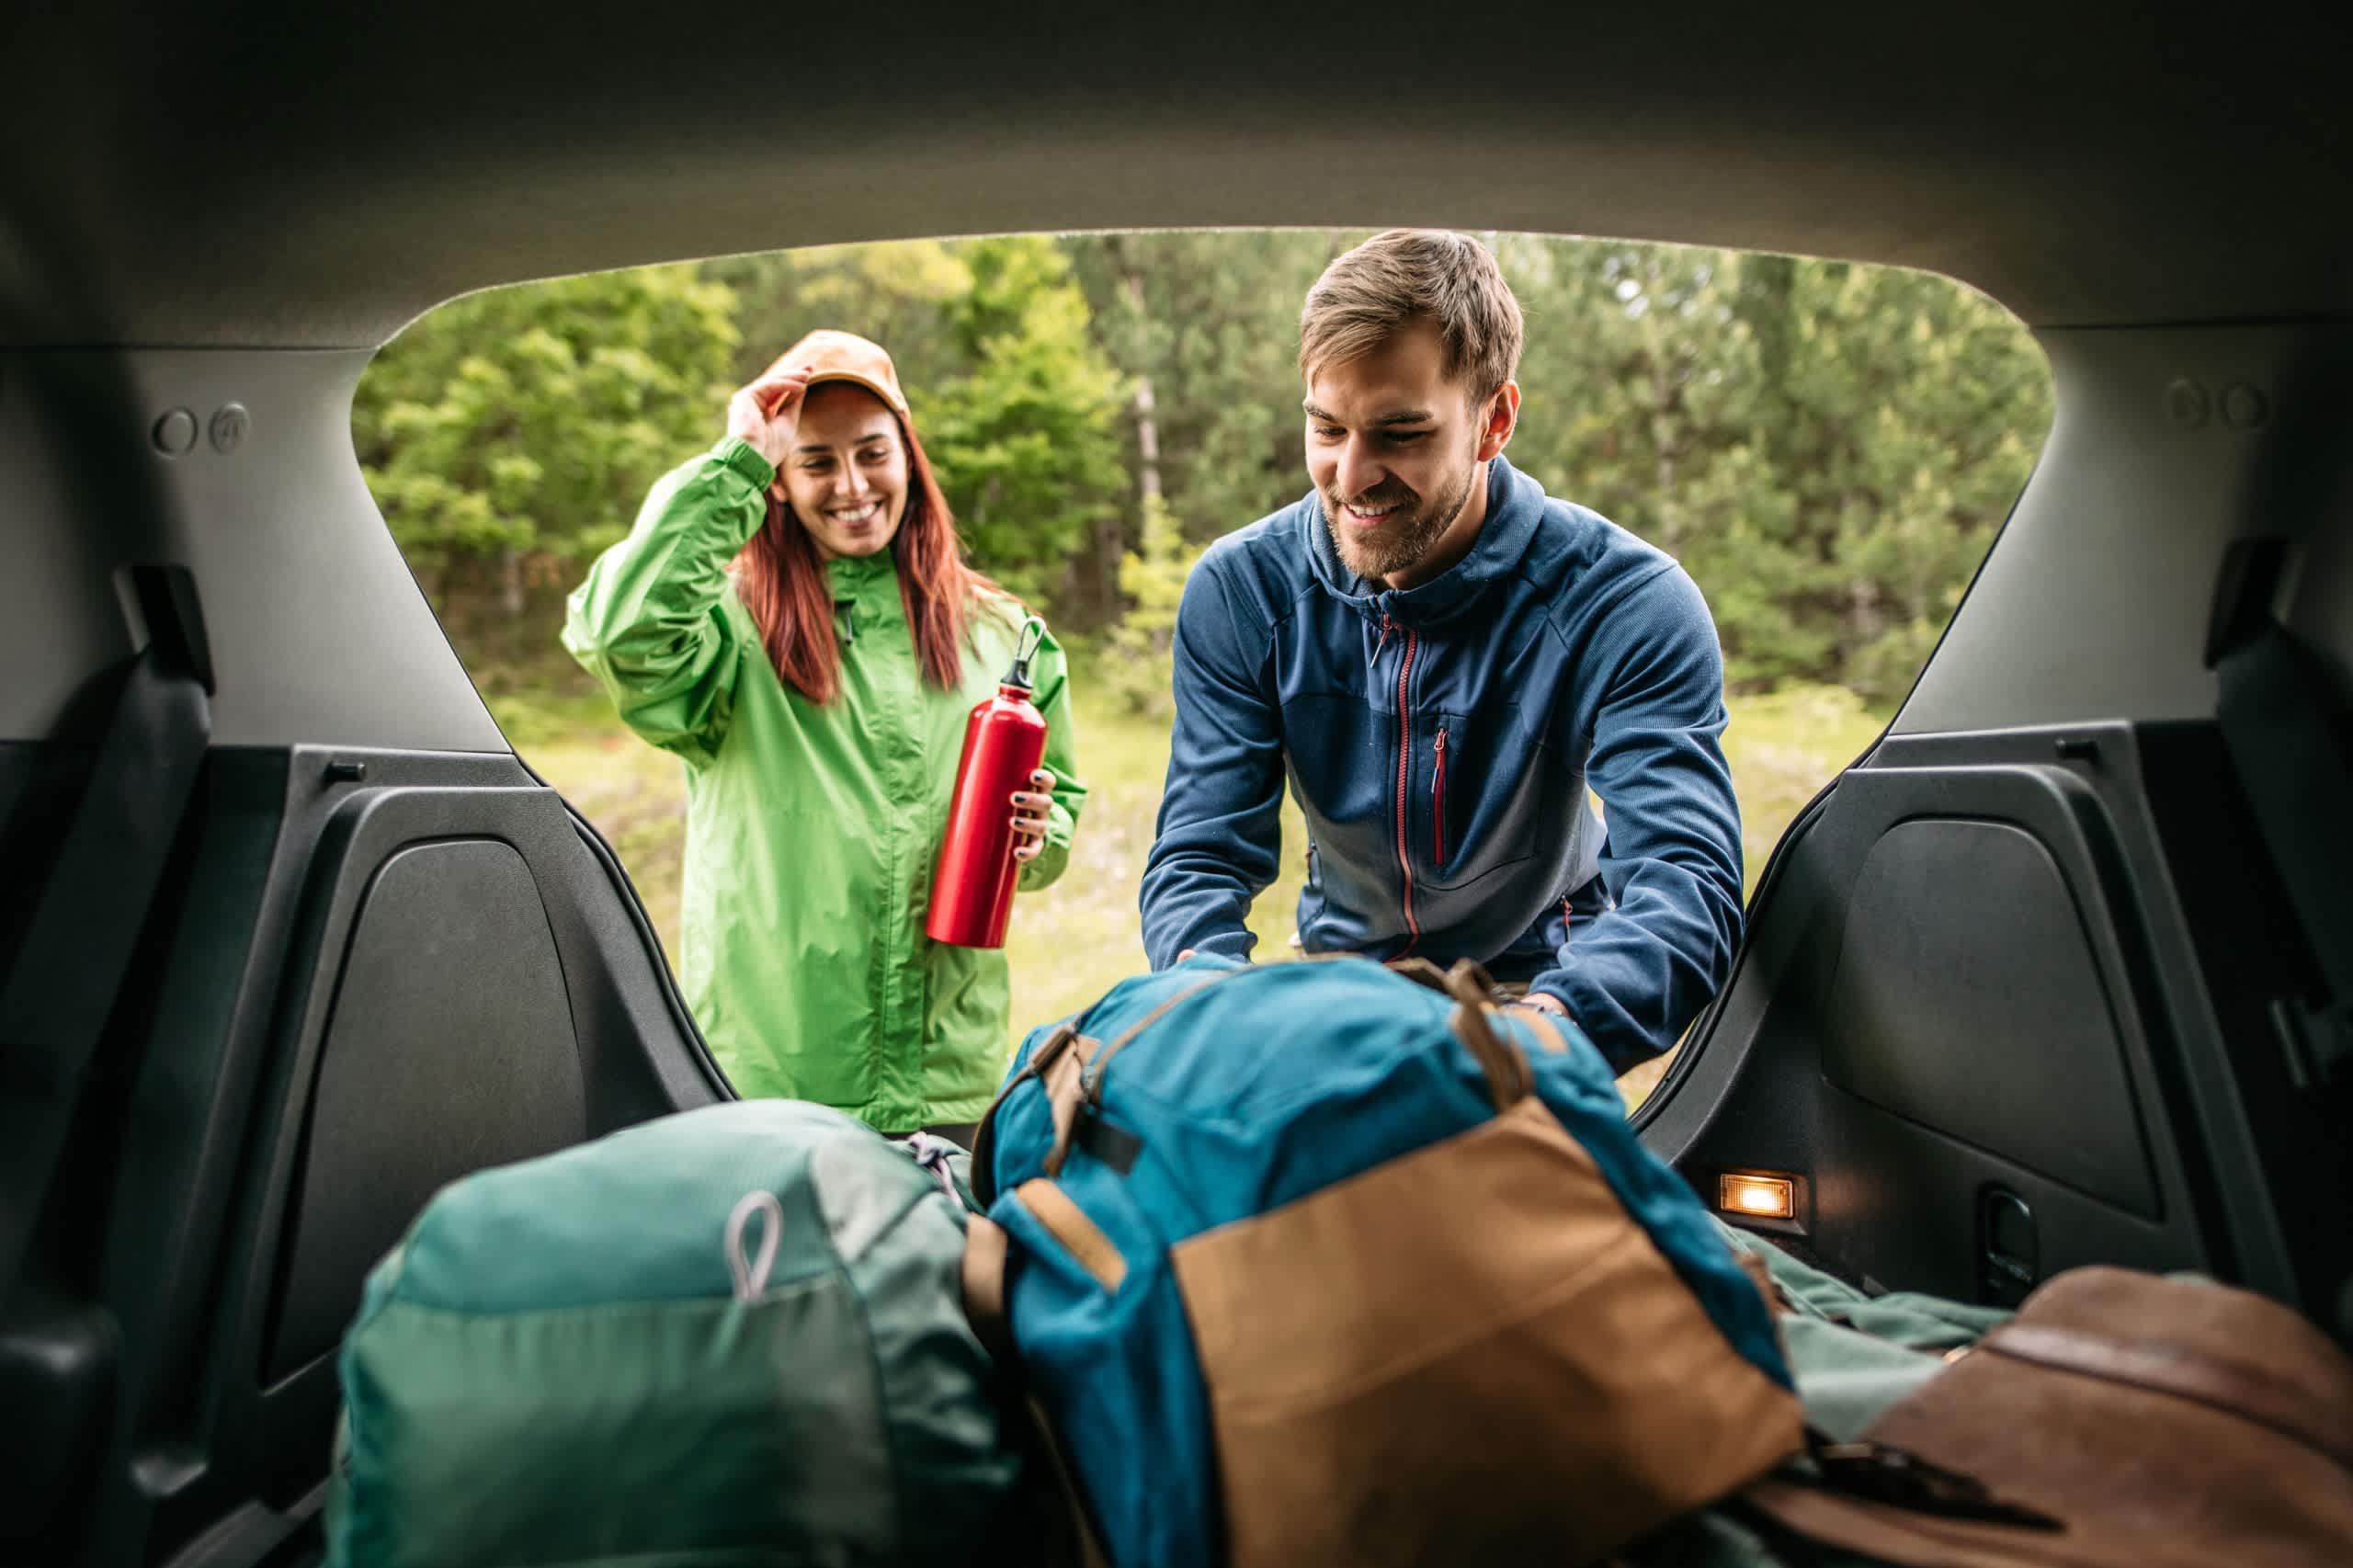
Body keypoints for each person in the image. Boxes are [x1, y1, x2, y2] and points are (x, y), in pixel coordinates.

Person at [1140, 231, 1741, 1072]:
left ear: (1494, 421)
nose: (1351, 478)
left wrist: (1535, 1040)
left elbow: (1685, 884)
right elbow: (1202, 855)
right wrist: (1216, 1009)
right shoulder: (1243, 591)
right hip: (1344, 984)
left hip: (1549, 983)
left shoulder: (1626, 601)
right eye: (1327, 428)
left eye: (1400, 434)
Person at [565, 330, 1086, 1142]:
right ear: (777, 482)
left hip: (949, 1079)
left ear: (909, 456)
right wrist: (736, 459)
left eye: (872, 453)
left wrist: (1035, 833)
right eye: (815, 462)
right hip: (768, 1077)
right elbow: (618, 632)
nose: (851, 485)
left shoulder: (1002, 634)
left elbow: (1057, 818)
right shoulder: (730, 628)